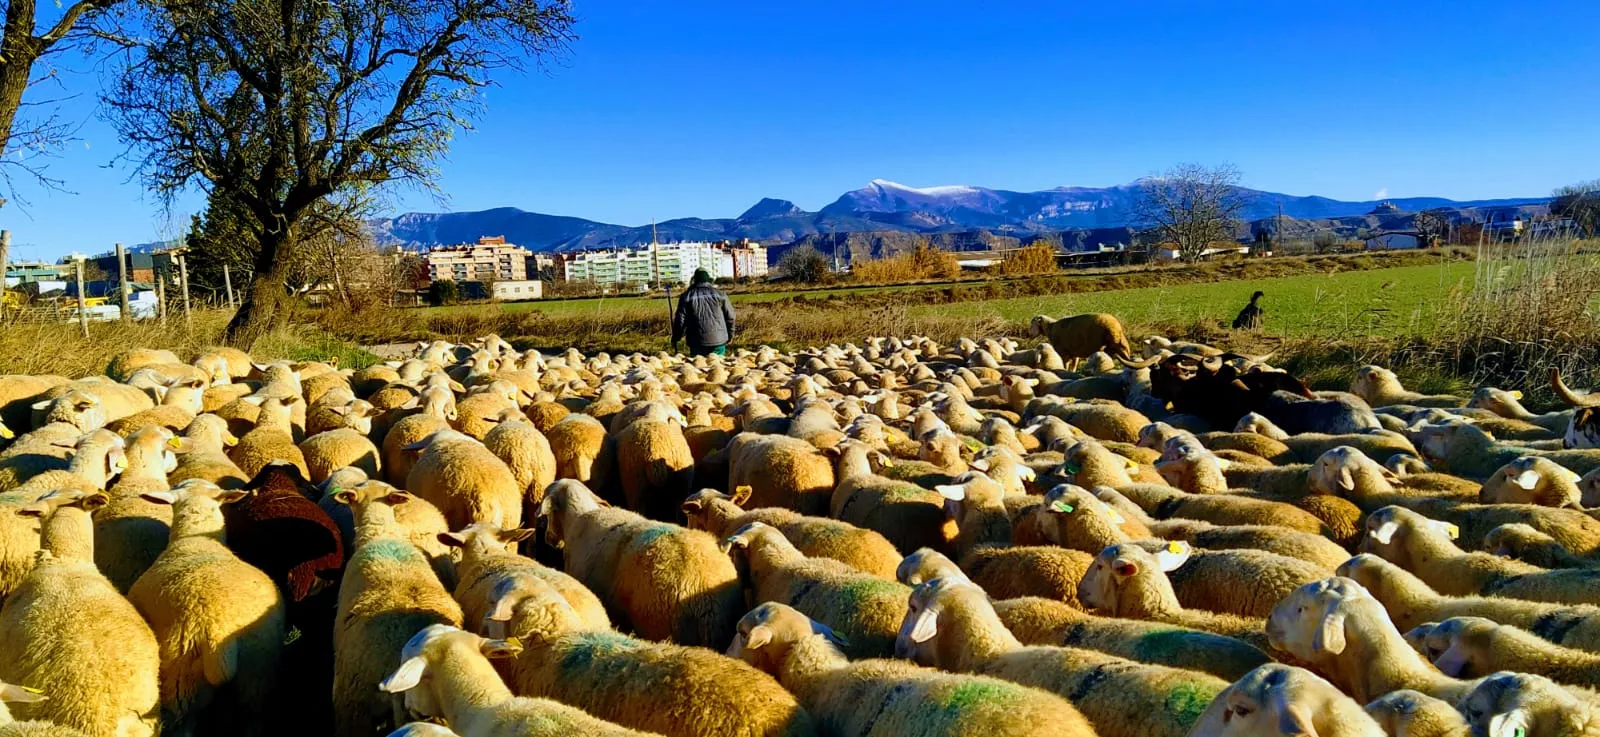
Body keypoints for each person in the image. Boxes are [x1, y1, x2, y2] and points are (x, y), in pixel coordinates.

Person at [672, 268, 735, 356]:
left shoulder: (686, 296)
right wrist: (731, 334)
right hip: (718, 340)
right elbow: (730, 317)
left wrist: (676, 337)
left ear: (694, 280)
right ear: (708, 280)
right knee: (718, 364)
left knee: (699, 363)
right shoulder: (720, 294)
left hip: (696, 342)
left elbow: (680, 320)